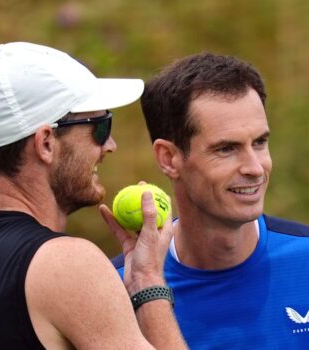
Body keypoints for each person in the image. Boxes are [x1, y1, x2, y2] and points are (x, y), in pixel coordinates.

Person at [0, 42, 187, 349]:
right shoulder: (68, 264)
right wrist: (148, 281)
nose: (110, 145)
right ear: (46, 144)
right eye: (101, 127)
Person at [114, 53, 309, 349]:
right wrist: (146, 287)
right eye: (227, 149)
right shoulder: (115, 291)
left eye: (259, 142)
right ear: (169, 158)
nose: (255, 168)